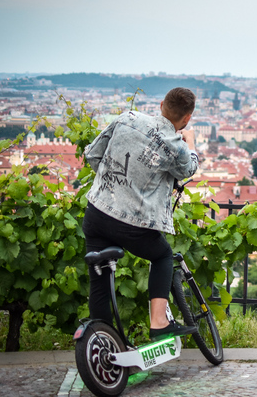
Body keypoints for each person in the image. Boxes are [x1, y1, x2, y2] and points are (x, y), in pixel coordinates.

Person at [82, 87, 200, 341]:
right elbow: (188, 169)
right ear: (187, 118)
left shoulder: (127, 118)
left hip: (96, 212)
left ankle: (101, 343)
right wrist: (190, 142)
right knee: (163, 255)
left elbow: (92, 154)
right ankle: (158, 322)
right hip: (131, 223)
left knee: (100, 281)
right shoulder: (175, 146)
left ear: (161, 105)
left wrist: (112, 185)